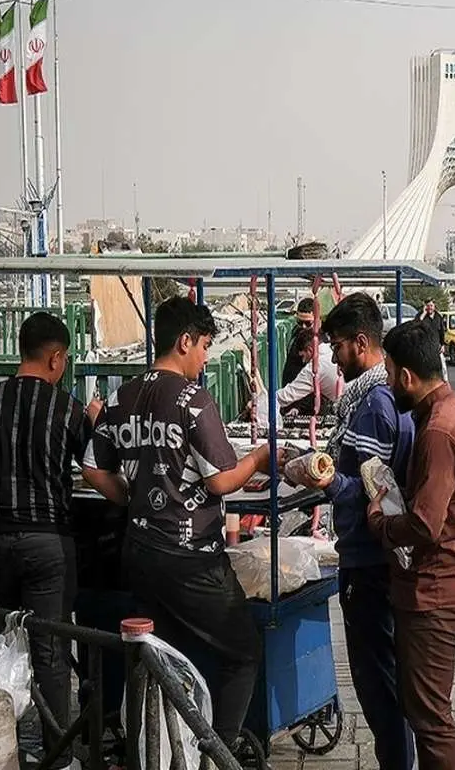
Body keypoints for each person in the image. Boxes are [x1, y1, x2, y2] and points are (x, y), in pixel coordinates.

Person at [82, 296, 282, 751]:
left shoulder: (120, 397)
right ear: (184, 340)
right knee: (243, 652)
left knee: (163, 658)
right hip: (191, 558)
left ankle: (163, 751)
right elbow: (222, 480)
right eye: (205, 345)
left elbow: (94, 468)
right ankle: (221, 754)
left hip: (139, 551)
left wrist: (132, 499)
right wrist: (260, 457)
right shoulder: (193, 400)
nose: (207, 357)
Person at [0, 312, 106, 770]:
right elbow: (94, 465)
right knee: (50, 650)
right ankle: (57, 754)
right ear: (56, 357)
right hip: (48, 543)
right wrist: (96, 420)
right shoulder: (66, 408)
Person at [290, 292, 416, 770]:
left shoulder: (372, 404)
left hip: (368, 559)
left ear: (362, 343)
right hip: (382, 557)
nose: (334, 360)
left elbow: (371, 490)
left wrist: (322, 479)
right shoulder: (391, 394)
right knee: (390, 680)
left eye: (338, 347)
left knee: (378, 684)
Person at [368, 318, 455, 770]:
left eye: (391, 373)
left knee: (430, 719)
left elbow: (425, 524)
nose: (389, 383)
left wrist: (379, 520)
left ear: (407, 377)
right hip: (442, 586)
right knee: (427, 712)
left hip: (433, 593)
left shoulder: (437, 431)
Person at [246, 326, 339, 421]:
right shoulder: (329, 350)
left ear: (310, 350)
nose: (303, 361)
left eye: (303, 356)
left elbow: (287, 395)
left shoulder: (314, 368)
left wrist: (258, 403)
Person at [281, 297, 317, 386]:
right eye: (300, 322)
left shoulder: (320, 341)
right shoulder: (295, 332)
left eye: (308, 323)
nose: (303, 326)